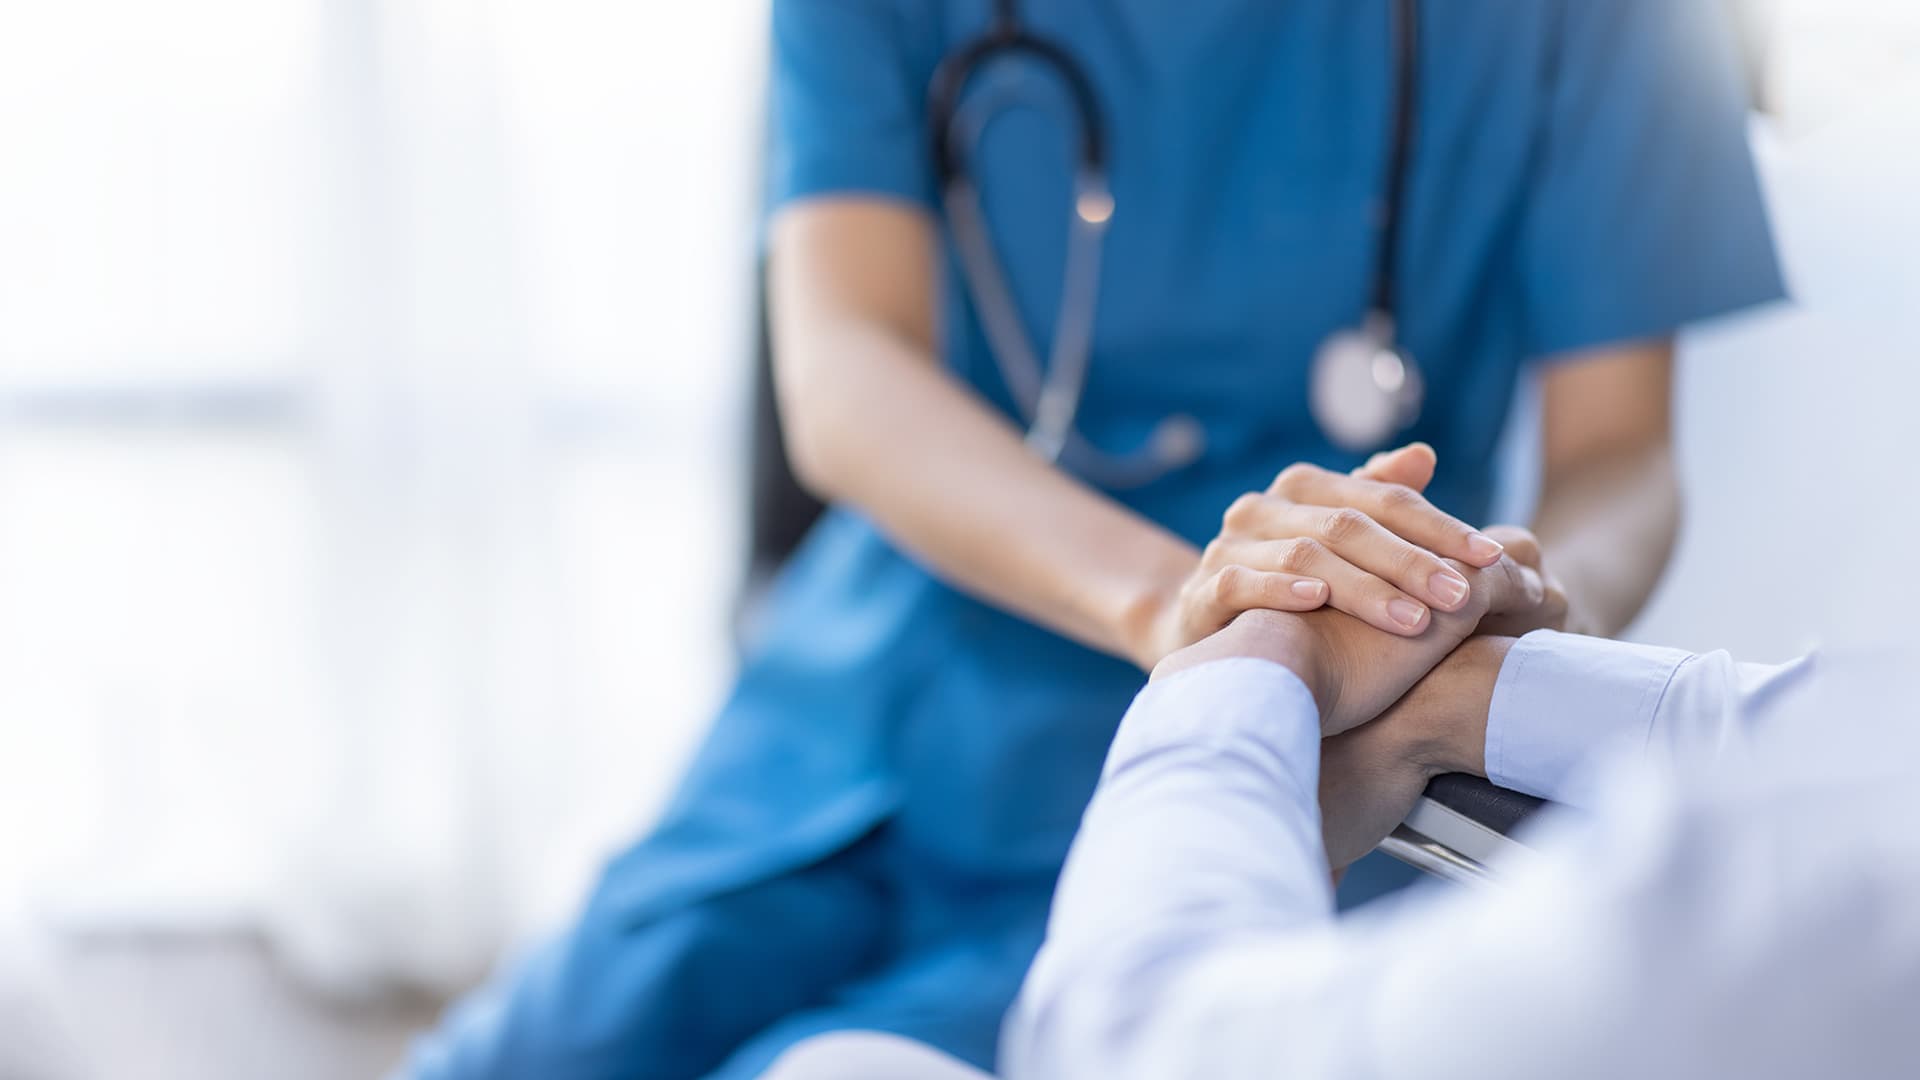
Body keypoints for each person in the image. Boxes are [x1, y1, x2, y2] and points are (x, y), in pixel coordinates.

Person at [401, 1, 1783, 1075]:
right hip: (898, 682)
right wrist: (1185, 608)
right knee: (519, 1056)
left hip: (1318, 741)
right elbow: (845, 373)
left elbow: (1619, 458)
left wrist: (1504, 616)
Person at [763, 560, 1916, 1080]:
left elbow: (1133, 1048)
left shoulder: (1784, 906)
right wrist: (1470, 696)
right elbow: (1826, 726)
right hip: (923, 682)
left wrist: (1257, 655)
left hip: (1236, 725)